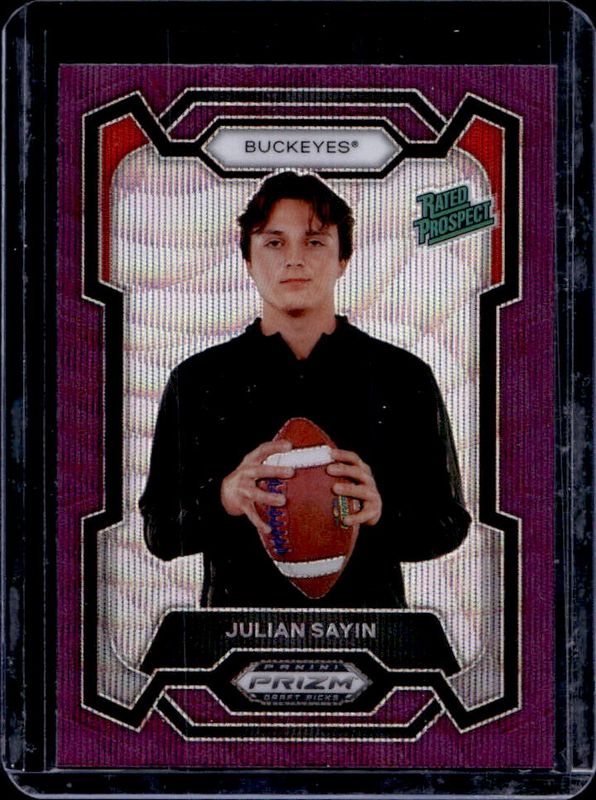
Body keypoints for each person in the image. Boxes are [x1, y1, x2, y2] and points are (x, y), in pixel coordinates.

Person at [139, 172, 471, 608]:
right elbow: (159, 532)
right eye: (274, 242)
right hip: (237, 632)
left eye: (314, 241)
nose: (294, 259)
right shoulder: (197, 380)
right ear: (248, 260)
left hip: (372, 631)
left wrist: (381, 511)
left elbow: (448, 524)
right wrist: (224, 497)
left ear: (343, 259)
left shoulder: (402, 375)